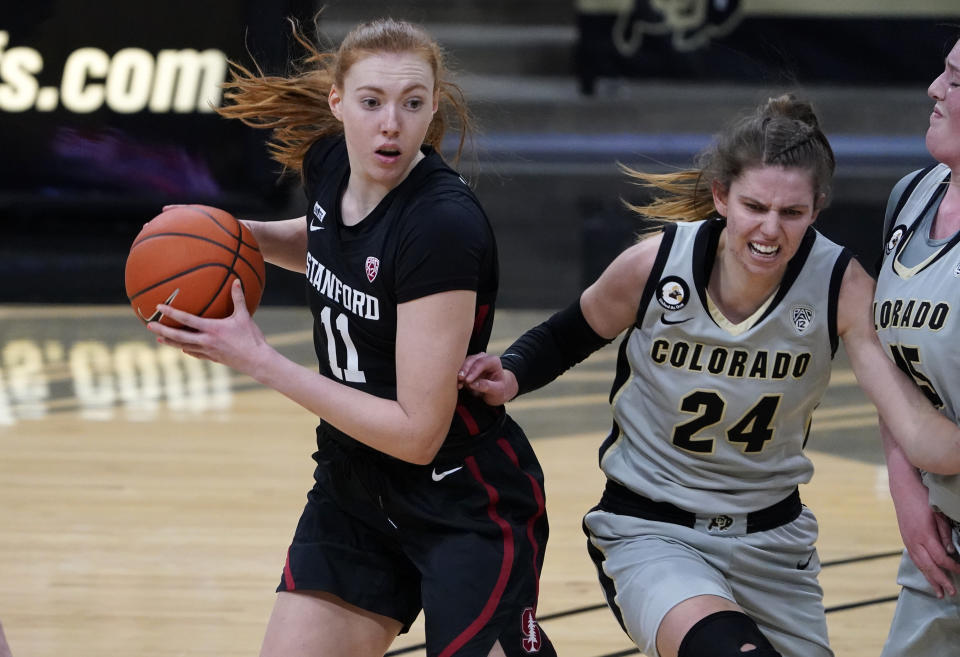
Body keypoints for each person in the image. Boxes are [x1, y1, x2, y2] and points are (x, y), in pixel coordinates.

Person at [459, 94, 960, 657]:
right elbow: (570, 332)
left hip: (774, 544)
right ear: (721, 196)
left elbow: (913, 427)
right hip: (652, 529)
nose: (770, 229)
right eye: (754, 206)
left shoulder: (840, 286)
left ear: (817, 209)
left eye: (792, 213)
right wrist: (514, 372)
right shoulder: (656, 265)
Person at [146, 17, 554, 657]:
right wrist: (226, 237)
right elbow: (326, 239)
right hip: (355, 484)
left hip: (461, 499)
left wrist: (258, 359)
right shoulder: (331, 161)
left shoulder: (441, 225)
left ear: (432, 108)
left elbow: (417, 434)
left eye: (412, 104)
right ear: (338, 103)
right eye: (371, 103)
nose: (390, 123)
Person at [876, 35, 960, 657]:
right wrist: (908, 491)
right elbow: (889, 371)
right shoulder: (912, 194)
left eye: (955, 81)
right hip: (939, 527)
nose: (934, 88)